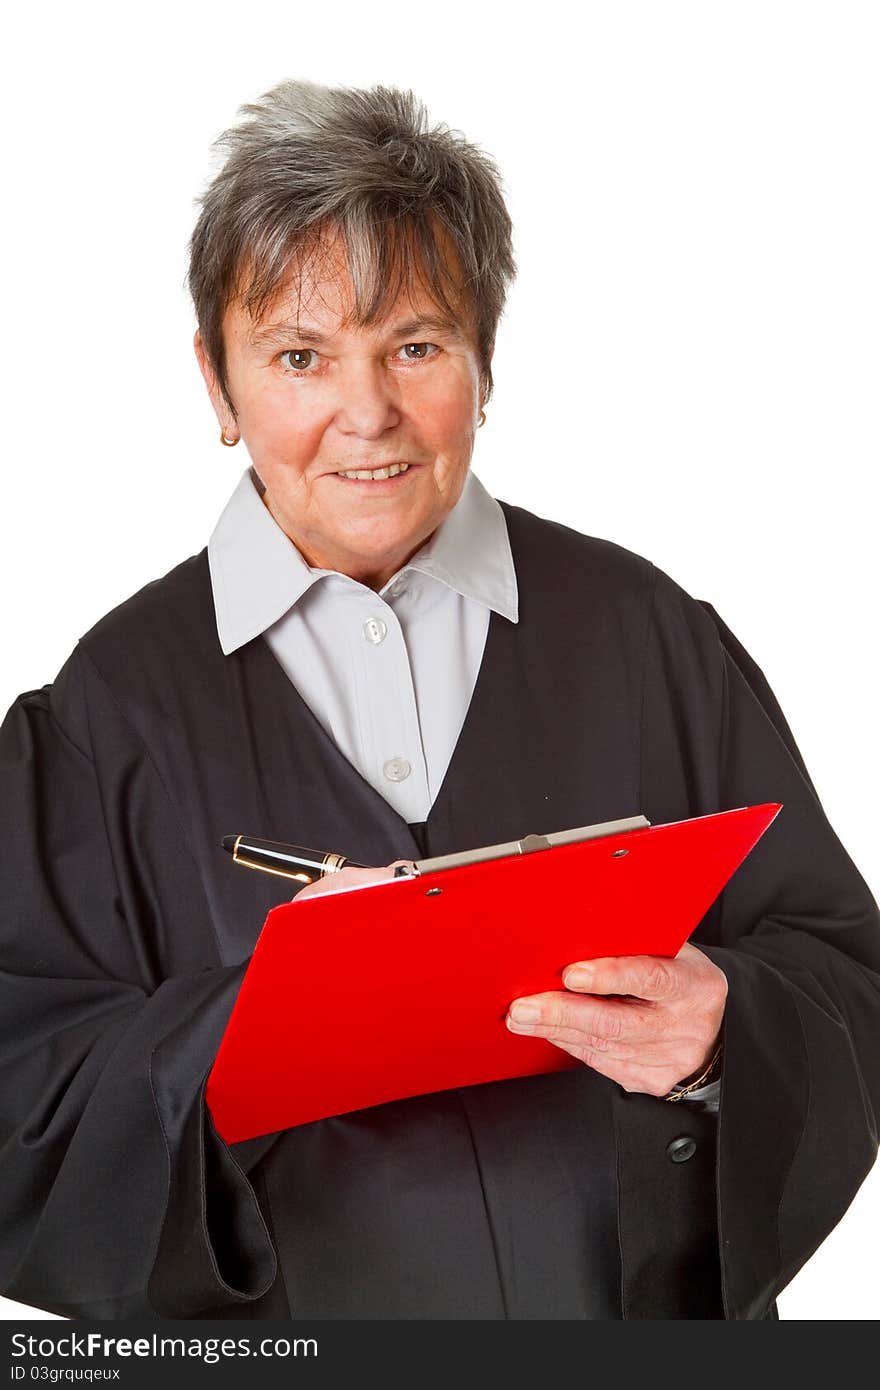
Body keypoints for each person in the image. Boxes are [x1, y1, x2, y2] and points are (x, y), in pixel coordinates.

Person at [0, 78, 877, 1322]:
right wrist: (260, 1019)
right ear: (216, 381)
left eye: (415, 347)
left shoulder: (647, 636)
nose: (367, 416)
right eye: (299, 357)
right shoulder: (100, 718)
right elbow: (20, 1103)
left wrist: (725, 1033)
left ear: (482, 358)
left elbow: (846, 976)